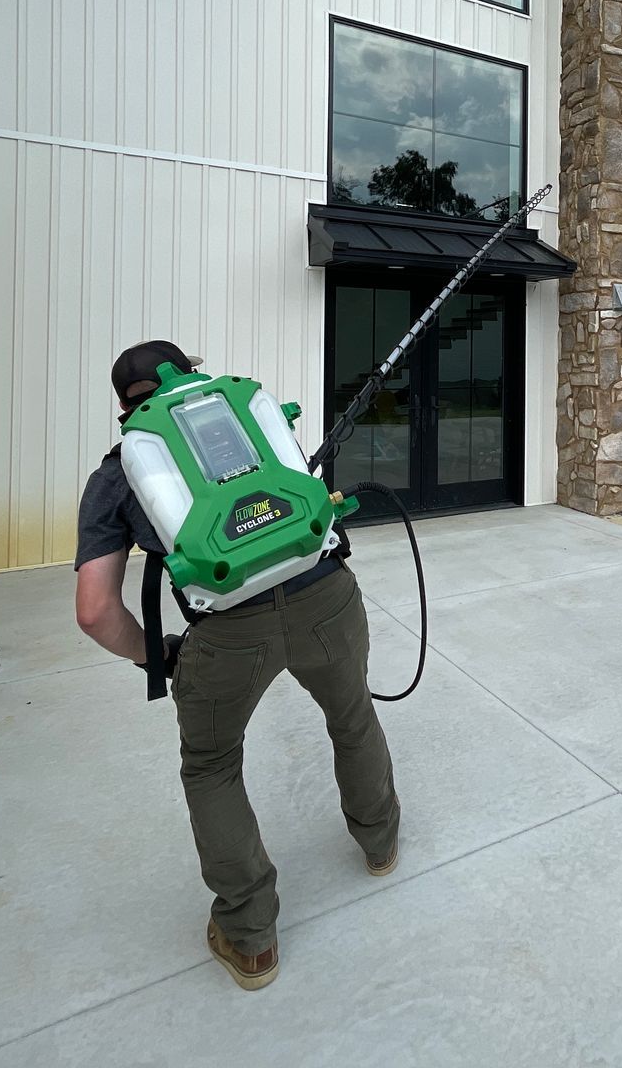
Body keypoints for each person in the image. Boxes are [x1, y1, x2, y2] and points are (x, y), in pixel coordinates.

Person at [72, 339, 401, 991]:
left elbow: (93, 611)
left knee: (213, 765)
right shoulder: (244, 420)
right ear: (196, 377)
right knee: (352, 715)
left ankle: (251, 939)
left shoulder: (118, 473)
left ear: (121, 407)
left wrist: (159, 656)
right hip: (325, 595)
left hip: (225, 633)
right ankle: (381, 843)